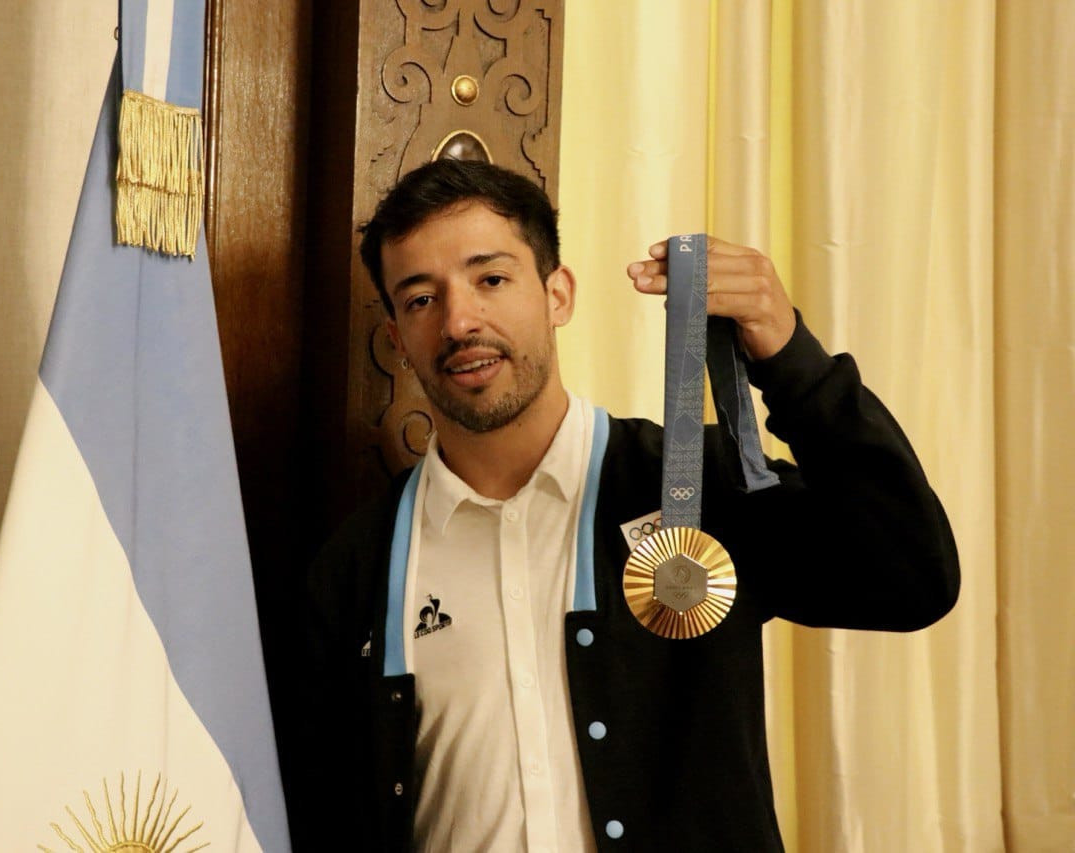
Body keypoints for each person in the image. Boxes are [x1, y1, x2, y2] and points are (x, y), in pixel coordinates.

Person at [301, 159, 958, 852]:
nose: (460, 319)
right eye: (420, 298)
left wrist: (789, 353)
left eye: (491, 278)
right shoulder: (355, 569)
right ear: (399, 338)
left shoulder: (696, 487)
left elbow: (911, 577)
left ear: (559, 294)